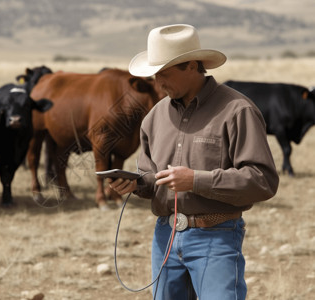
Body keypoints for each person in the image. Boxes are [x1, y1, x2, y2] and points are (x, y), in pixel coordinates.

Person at [108, 24, 279, 300]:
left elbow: (263, 181)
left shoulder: (238, 111)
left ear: (191, 66)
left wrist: (196, 180)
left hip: (217, 236)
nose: (157, 83)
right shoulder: (154, 117)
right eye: (154, 75)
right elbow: (151, 178)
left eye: (163, 73)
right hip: (165, 237)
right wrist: (135, 184)